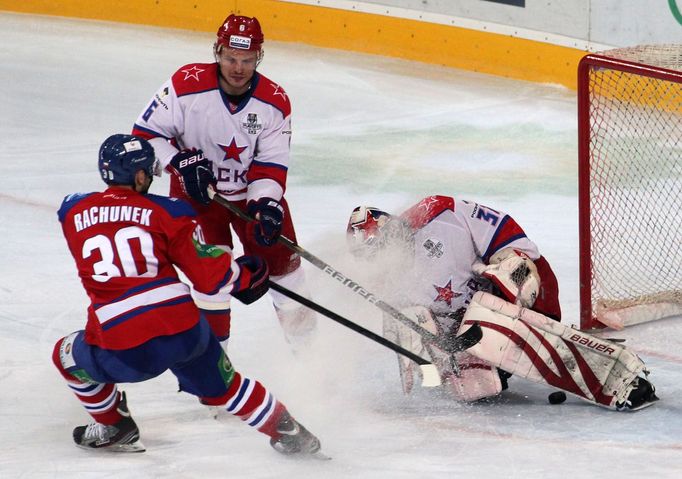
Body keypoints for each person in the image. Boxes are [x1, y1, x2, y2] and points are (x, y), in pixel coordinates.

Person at [52, 134, 322, 455]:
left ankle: (114, 425)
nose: (151, 177)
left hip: (122, 340)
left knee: (65, 355)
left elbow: (85, 211)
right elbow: (210, 278)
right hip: (184, 330)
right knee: (226, 388)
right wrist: (246, 275)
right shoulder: (172, 211)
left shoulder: (72, 210)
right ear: (139, 176)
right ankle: (290, 431)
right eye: (148, 171)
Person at [346, 195, 658, 411]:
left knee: (504, 289)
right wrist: (435, 364)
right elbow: (425, 366)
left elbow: (521, 254)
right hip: (472, 332)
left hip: (522, 297)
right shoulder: (388, 288)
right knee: (473, 388)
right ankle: (502, 358)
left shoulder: (441, 213)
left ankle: (616, 377)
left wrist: (509, 276)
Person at [131, 13, 315, 346]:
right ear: (217, 51)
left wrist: (266, 203)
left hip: (251, 200)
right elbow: (146, 135)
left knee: (288, 277)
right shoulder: (185, 85)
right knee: (210, 282)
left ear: (259, 57)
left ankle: (311, 361)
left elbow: (271, 164)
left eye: (246, 59)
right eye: (231, 57)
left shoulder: (274, 101)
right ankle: (216, 371)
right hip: (197, 199)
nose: (238, 67)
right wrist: (179, 162)